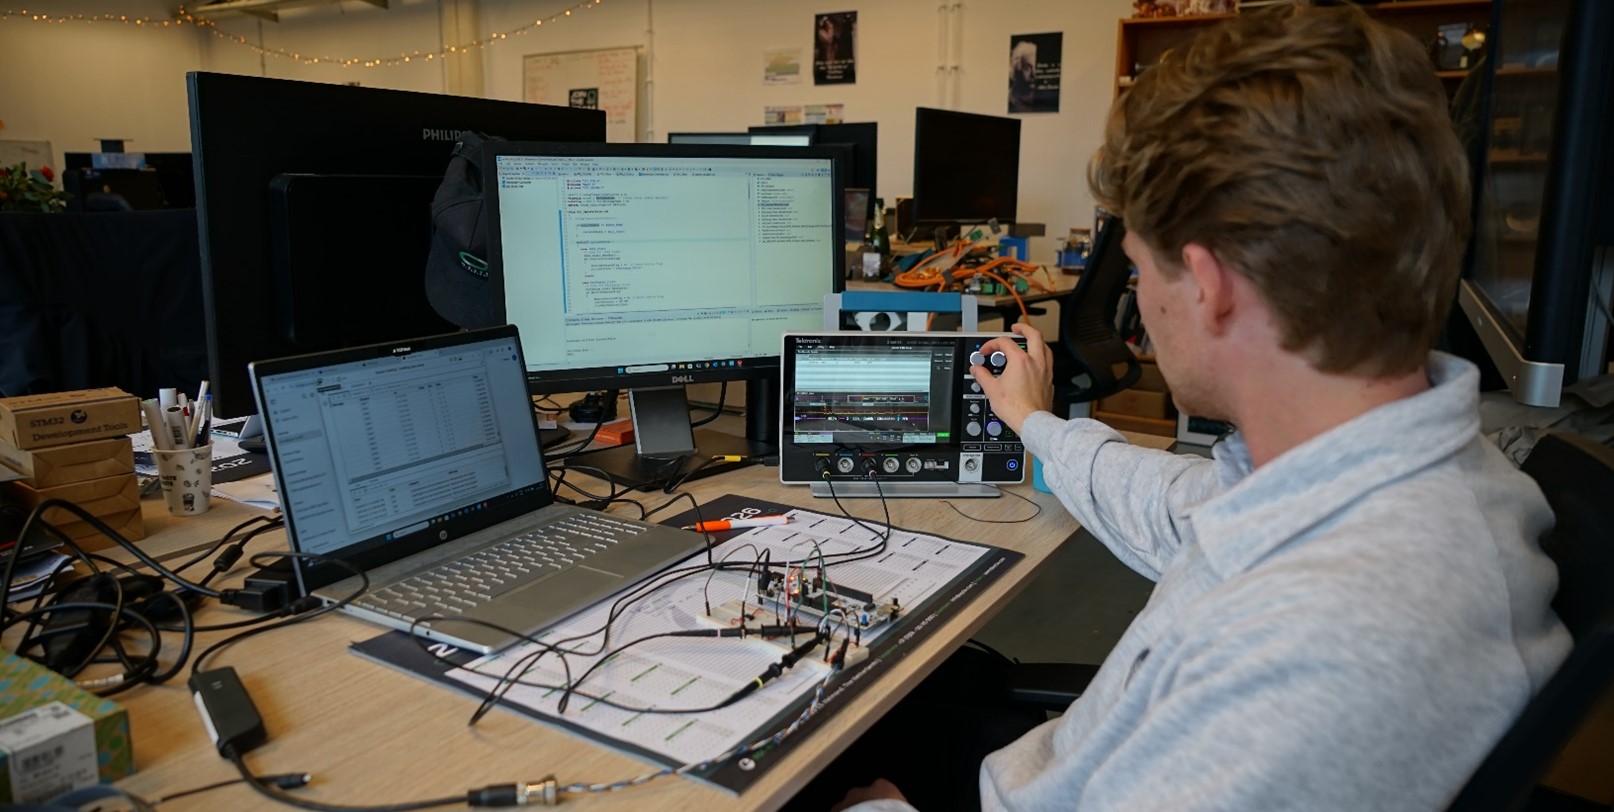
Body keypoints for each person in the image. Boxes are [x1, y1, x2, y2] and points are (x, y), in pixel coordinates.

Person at [821, 4, 1570, 810]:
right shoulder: (1385, 473)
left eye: (1140, 269)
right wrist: (1036, 423)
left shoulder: (1322, 641)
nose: (1141, 296)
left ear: (1209, 287)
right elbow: (1182, 509)